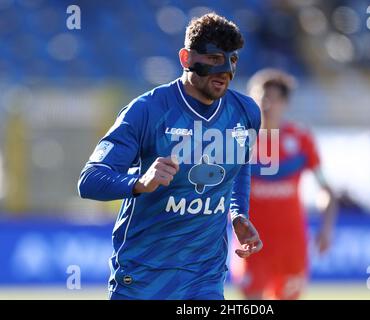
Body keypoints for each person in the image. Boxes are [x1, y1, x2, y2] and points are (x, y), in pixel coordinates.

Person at [77, 13, 263, 300]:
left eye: (232, 60)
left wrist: (238, 213)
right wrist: (139, 182)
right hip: (142, 278)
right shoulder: (146, 110)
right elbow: (89, 180)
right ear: (186, 58)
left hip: (205, 279)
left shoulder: (245, 113)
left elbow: (238, 168)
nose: (225, 70)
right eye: (214, 59)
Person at [231, 68, 337, 300]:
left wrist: (326, 226)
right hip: (252, 241)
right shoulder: (238, 141)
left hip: (291, 244)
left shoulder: (300, 139)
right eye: (262, 97)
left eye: (275, 99)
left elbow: (324, 189)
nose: (268, 104)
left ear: (285, 103)